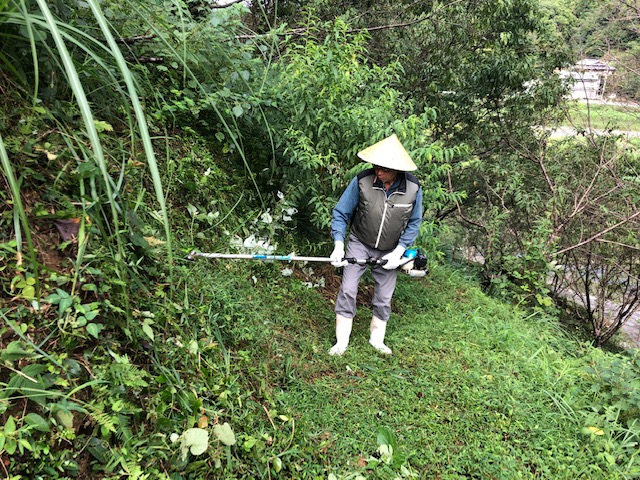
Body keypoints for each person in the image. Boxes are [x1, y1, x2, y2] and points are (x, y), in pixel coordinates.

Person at [329, 134, 423, 356]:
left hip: (391, 249)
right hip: (359, 241)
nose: (378, 172)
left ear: (397, 169)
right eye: (375, 167)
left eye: (384, 169)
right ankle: (341, 342)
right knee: (348, 289)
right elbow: (341, 213)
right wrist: (339, 244)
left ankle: (376, 340)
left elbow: (414, 222)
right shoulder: (362, 181)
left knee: (384, 296)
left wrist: (399, 252)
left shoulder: (413, 188)